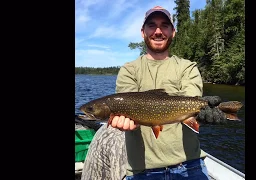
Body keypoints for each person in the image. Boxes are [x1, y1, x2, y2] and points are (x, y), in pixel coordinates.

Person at [81, 5, 210, 180]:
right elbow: (131, 118)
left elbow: (191, 102)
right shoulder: (129, 70)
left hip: (189, 166)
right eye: (152, 25)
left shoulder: (187, 67)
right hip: (143, 171)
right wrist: (128, 122)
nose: (158, 31)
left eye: (164, 25)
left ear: (173, 32)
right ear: (143, 32)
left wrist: (205, 111)